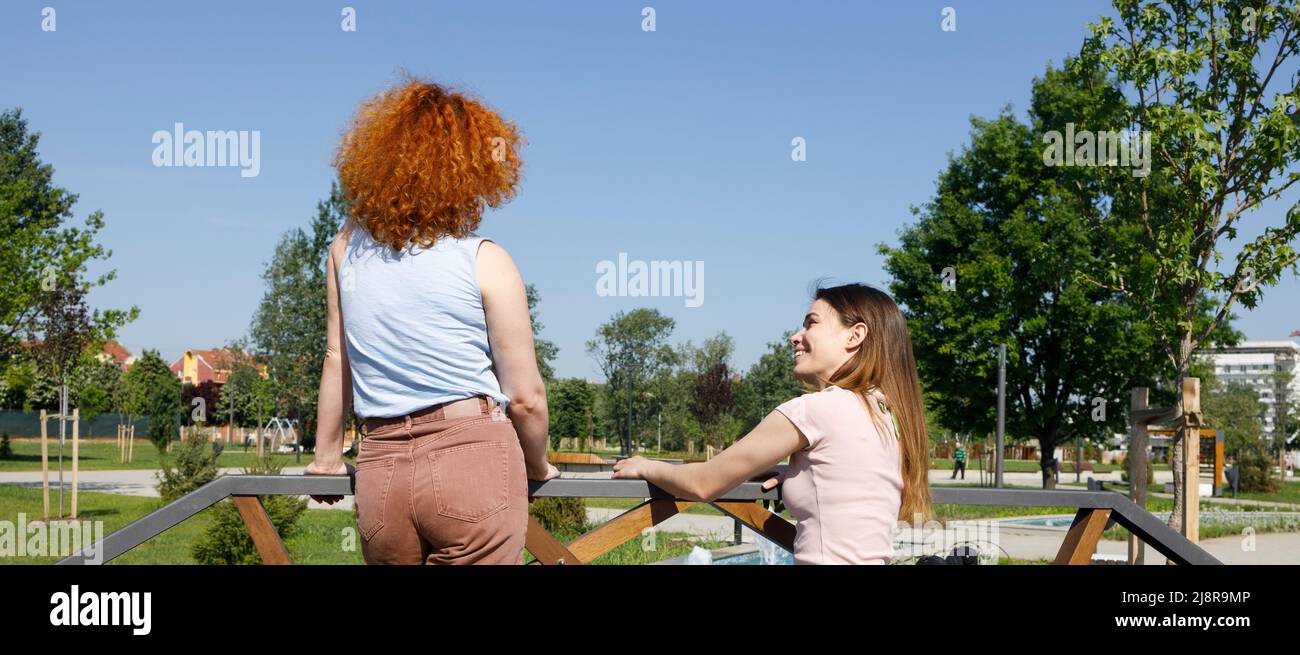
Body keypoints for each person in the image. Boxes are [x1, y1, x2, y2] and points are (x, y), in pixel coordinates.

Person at [305, 78, 559, 565]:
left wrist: (327, 457)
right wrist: (539, 465)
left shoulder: (345, 253)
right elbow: (526, 398)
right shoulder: (485, 260)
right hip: (473, 461)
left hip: (381, 471)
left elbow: (337, 357)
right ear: (473, 173)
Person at [612, 283, 933, 564]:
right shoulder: (885, 412)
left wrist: (645, 466)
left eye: (811, 324)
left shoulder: (816, 409)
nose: (795, 336)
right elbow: (851, 484)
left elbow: (703, 482)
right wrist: (799, 473)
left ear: (855, 335)